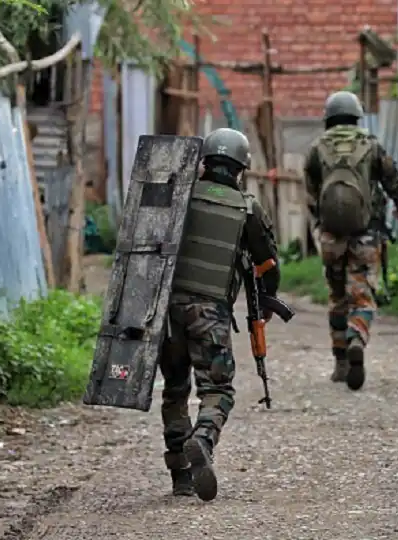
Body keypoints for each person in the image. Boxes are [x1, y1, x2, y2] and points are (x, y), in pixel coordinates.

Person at [160, 128, 280, 502]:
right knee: (217, 390)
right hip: (210, 312)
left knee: (175, 389)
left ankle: (180, 475)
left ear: (204, 162)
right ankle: (203, 438)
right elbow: (268, 264)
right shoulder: (246, 207)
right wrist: (267, 297)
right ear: (241, 168)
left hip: (165, 312)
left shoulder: (179, 196)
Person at [304, 91, 398, 391]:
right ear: (356, 115)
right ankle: (356, 338)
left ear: (329, 118)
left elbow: (311, 195)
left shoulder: (316, 149)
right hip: (365, 234)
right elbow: (393, 180)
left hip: (331, 238)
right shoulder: (370, 145)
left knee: (337, 297)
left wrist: (321, 226)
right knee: (362, 297)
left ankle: (340, 364)